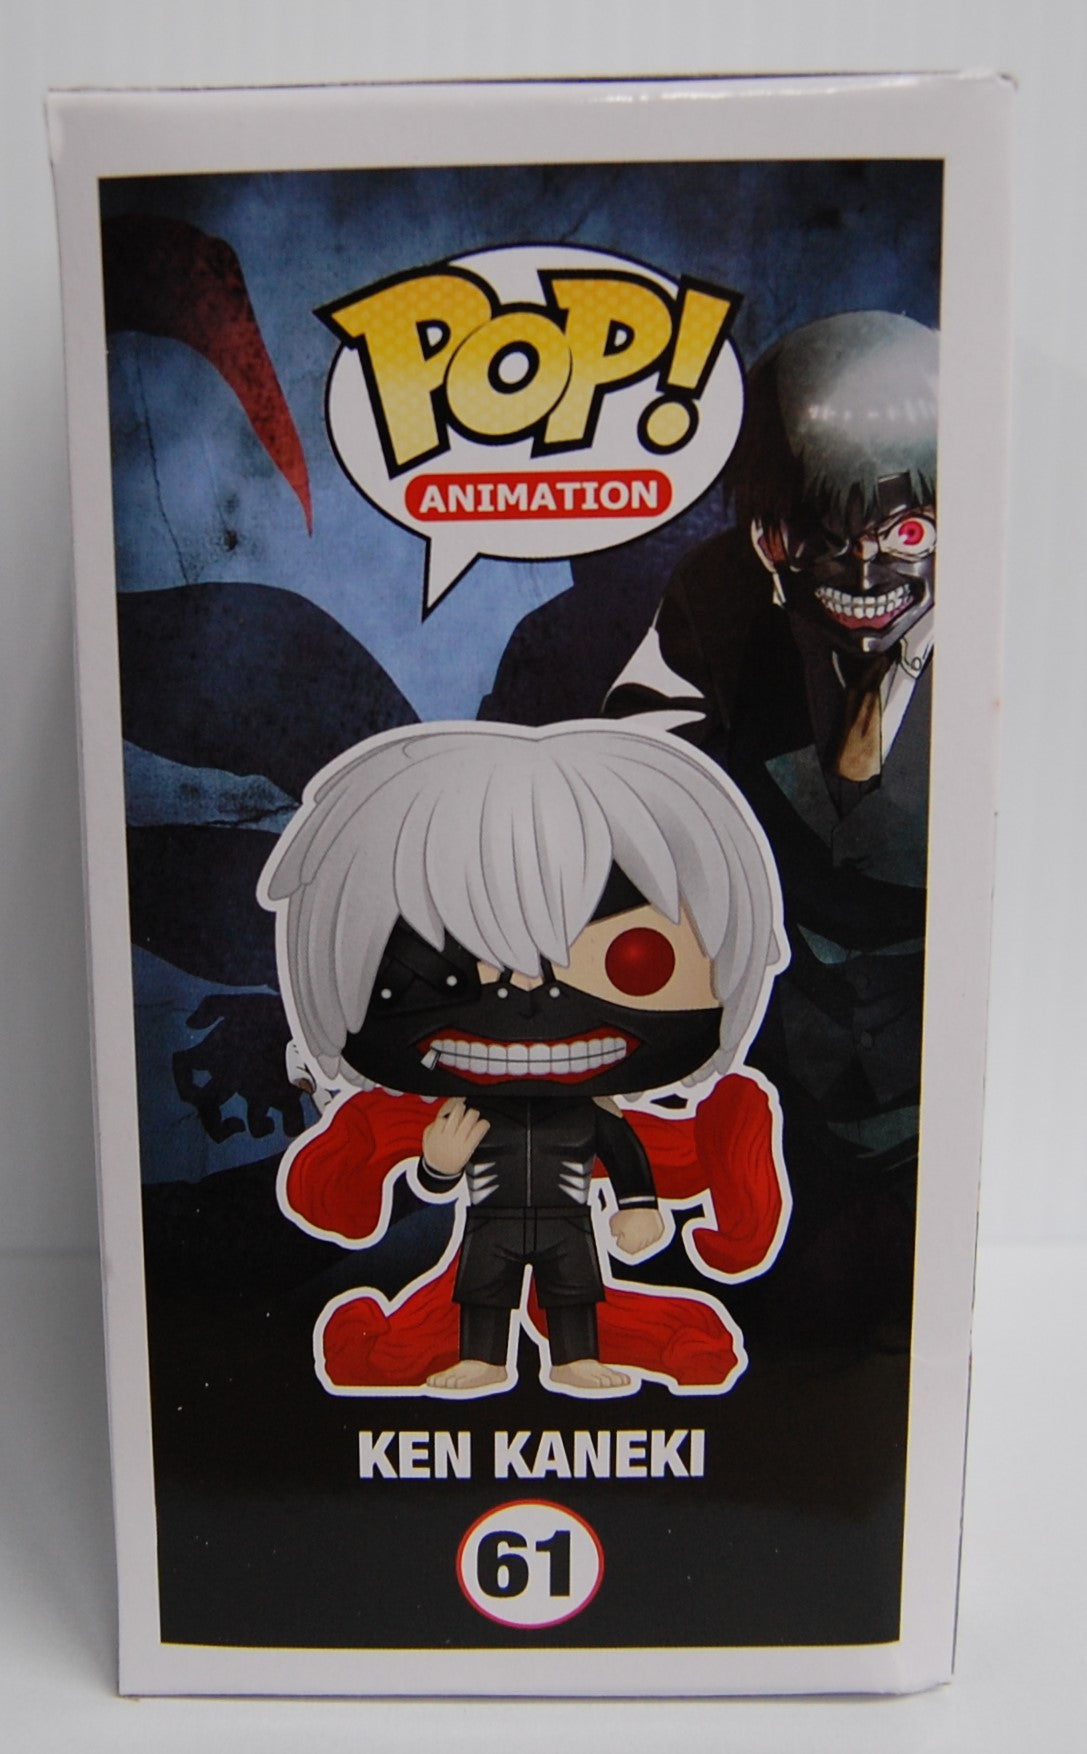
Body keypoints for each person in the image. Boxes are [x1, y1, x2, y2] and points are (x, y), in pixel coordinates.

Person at [260, 719, 789, 1395]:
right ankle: (482, 1358)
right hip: (490, 1219)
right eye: (445, 966)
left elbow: (625, 1151)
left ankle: (574, 1358)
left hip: (570, 1221)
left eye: (631, 960)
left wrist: (637, 1203)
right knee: (481, 1288)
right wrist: (436, 1165)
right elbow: (422, 1179)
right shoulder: (462, 1110)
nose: (530, 995)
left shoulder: (595, 1113)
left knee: (576, 1287)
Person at [605, 311, 938, 1342]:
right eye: (817, 534)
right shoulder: (715, 598)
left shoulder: (1026, 621)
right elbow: (636, 781)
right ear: (765, 531)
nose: (864, 571)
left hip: (949, 1072)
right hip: (775, 1057)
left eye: (904, 533)